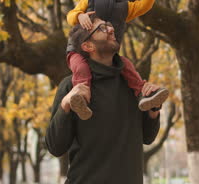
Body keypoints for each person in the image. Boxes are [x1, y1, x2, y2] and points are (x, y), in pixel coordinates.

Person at [46, 15, 161, 183]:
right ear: (88, 45)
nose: (111, 29)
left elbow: (148, 137)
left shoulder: (132, 84)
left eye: (109, 25)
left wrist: (154, 110)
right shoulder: (72, 87)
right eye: (101, 28)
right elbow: (55, 146)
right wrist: (65, 104)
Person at [65, 0, 169, 119]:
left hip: (106, 52)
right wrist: (80, 16)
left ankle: (143, 93)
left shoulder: (124, 7)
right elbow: (70, 15)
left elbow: (143, 6)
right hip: (79, 49)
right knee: (81, 69)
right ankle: (82, 99)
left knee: (127, 65)